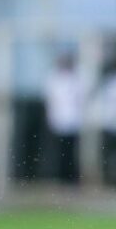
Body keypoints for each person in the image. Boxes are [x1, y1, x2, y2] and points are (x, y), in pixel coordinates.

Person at [44, 52, 84, 183]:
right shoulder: (54, 78)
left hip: (73, 122)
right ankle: (58, 176)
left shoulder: (76, 78)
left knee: (71, 152)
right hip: (58, 121)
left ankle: (71, 178)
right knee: (58, 152)